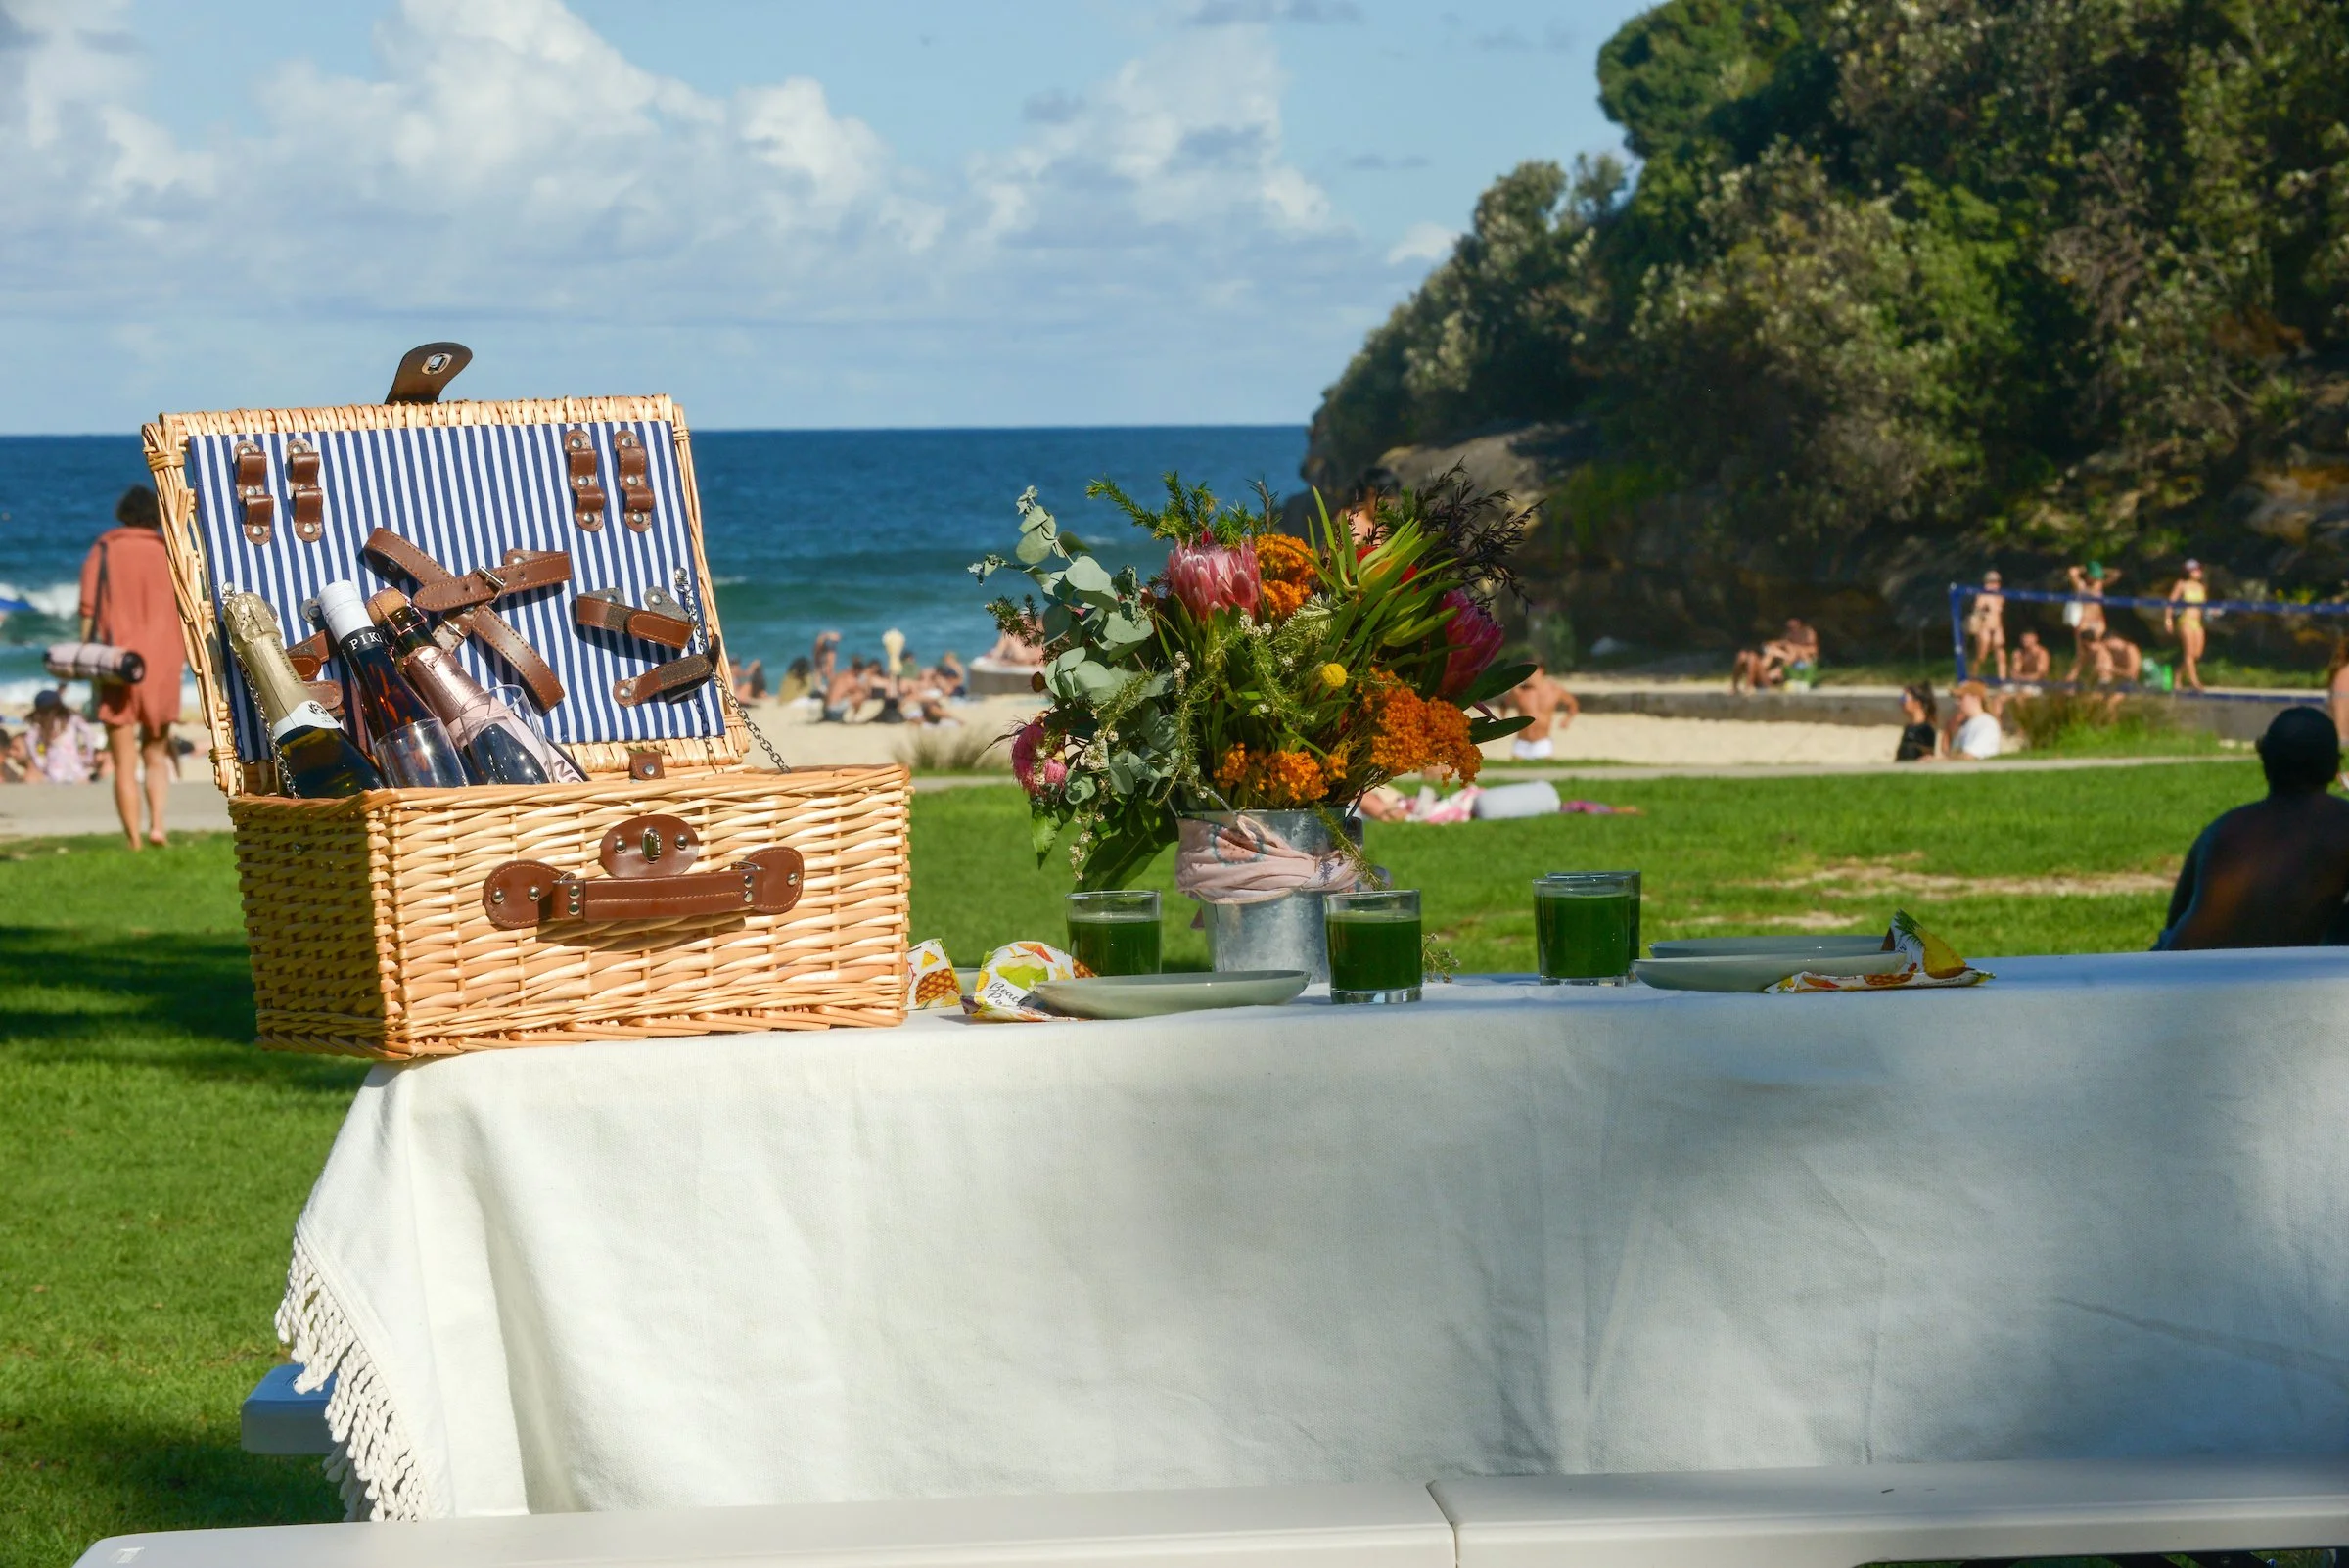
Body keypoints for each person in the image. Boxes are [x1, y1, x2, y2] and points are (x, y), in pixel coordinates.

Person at [2154, 707, 2349, 949]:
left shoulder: (2223, 829)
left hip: (2178, 969)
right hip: (2269, 977)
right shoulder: (2341, 823)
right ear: (2334, 767)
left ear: (2265, 759)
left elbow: (2175, 920)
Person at [79, 486, 185, 850]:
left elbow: (88, 611)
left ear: (122, 512)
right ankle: (158, 826)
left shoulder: (105, 549)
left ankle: (134, 840)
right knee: (155, 754)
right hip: (162, 662)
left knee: (123, 760)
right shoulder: (169, 552)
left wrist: (86, 656)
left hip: (117, 663)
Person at [1502, 664, 1579, 761]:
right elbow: (1504, 704)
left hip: (1543, 742)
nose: (1527, 675)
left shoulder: (1554, 690)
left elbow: (1572, 703)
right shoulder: (1518, 691)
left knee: (1547, 773)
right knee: (1513, 773)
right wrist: (1503, 720)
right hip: (1522, 743)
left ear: (1540, 671)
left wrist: (1567, 720)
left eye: (1530, 671)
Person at [24, 689, 103, 784]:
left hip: (53, 768)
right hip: (75, 766)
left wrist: (38, 760)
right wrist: (89, 756)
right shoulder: (72, 719)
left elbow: (29, 741)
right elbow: (88, 733)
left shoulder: (41, 724)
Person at [2065, 561, 2119, 683]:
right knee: (2081, 656)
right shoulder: (2080, 585)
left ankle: (2102, 678)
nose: (2095, 578)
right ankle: (2069, 684)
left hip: (2098, 622)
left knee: (2099, 650)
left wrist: (2100, 568)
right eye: (2093, 575)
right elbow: (2072, 571)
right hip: (2084, 622)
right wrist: (2085, 568)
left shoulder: (2099, 584)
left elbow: (2116, 574)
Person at [2164, 559, 2208, 692]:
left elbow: (2203, 606)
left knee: (2197, 653)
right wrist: (2168, 619)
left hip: (2197, 622)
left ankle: (2178, 674)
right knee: (2188, 652)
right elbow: (2170, 602)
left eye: (2199, 569)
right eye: (2195, 570)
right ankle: (2194, 681)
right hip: (2186, 620)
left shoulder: (2202, 587)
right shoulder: (2181, 585)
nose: (2198, 572)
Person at [1965, 571, 2007, 680]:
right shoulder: (1982, 596)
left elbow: (1998, 611)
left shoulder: (2000, 596)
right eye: (1991, 582)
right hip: (1985, 627)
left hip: (1997, 627)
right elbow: (1977, 611)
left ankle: (2002, 679)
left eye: (1996, 582)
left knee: (2000, 654)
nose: (1994, 585)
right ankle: (1972, 676)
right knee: (1982, 653)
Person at [1947, 680, 2002, 760]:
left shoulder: (1986, 723)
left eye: (1961, 698)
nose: (1957, 702)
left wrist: (1938, 761)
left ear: (1975, 698)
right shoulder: (1966, 725)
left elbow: (1970, 756)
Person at [1896, 683, 1942, 761]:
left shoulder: (1925, 729)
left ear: (1917, 702)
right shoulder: (1909, 727)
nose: (1901, 702)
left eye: (1903, 698)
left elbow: (1927, 755)